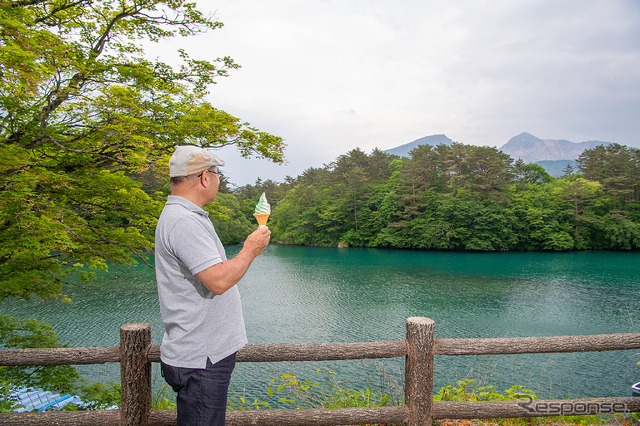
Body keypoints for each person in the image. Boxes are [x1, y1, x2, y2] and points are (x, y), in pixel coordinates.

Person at [155, 145, 271, 425]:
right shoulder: (184, 221)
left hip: (198, 354)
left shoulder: (180, 216)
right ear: (205, 177)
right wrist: (250, 250)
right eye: (217, 174)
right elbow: (218, 281)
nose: (219, 181)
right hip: (202, 359)